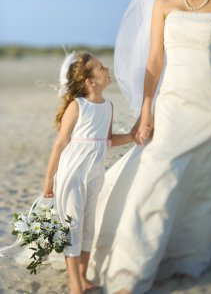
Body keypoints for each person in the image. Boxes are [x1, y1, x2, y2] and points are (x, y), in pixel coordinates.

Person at [86, 0, 211, 294]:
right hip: (172, 101)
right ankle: (130, 273)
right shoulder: (164, 5)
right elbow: (155, 61)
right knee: (156, 179)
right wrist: (146, 110)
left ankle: (189, 260)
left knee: (204, 181)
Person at [42, 50, 134, 294]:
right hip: (72, 174)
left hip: (95, 174)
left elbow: (109, 139)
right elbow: (60, 143)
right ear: (90, 81)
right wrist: (48, 178)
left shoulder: (108, 106)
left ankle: (82, 277)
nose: (107, 69)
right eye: (101, 68)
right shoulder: (77, 106)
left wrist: (134, 136)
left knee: (88, 227)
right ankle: (75, 286)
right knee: (72, 225)